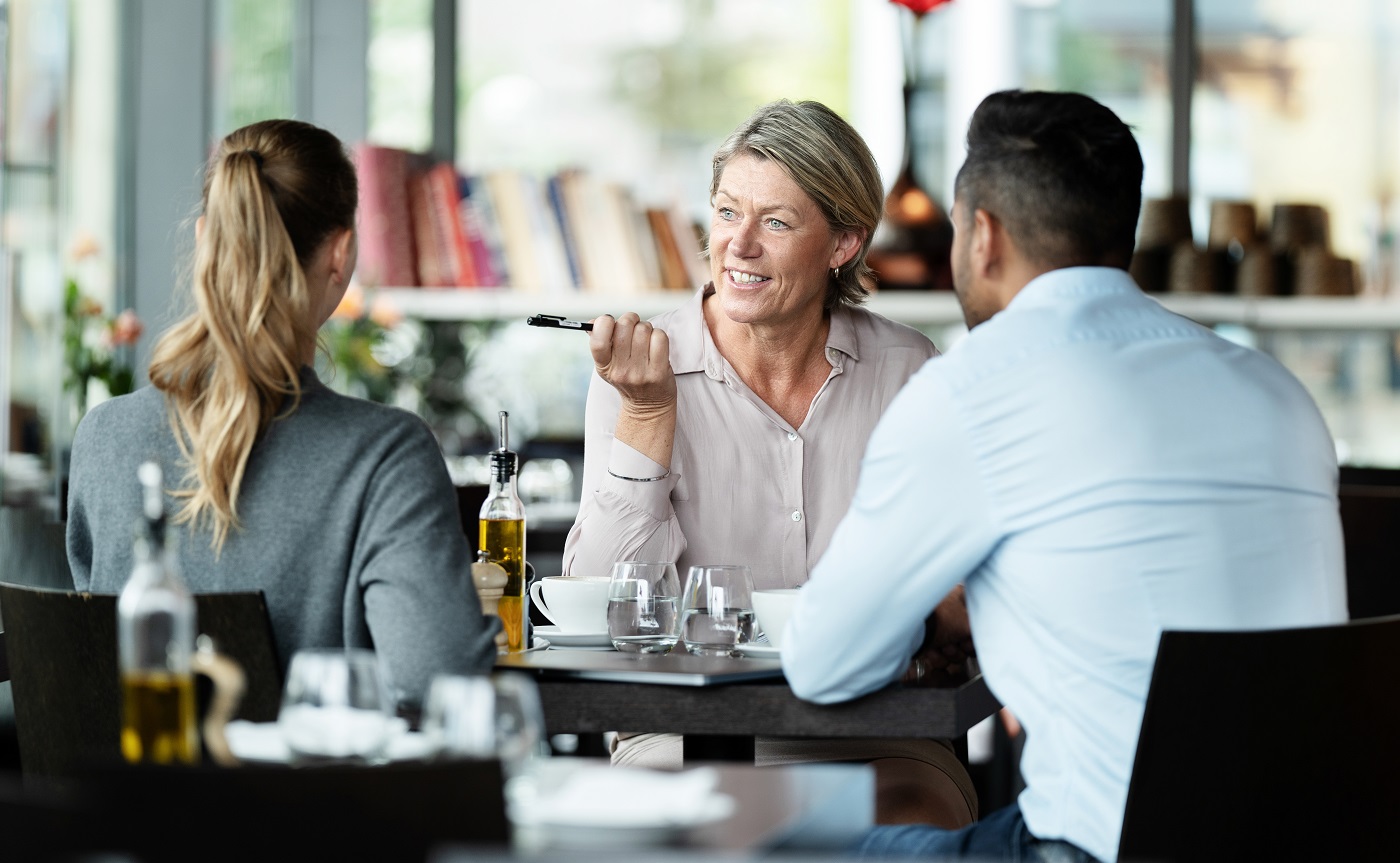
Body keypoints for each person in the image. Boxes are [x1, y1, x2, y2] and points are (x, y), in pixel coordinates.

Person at [783, 89, 1348, 862]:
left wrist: (940, 607)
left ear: (984, 235)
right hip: (1312, 839)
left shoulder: (975, 388)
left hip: (1101, 849)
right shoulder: (1274, 390)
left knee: (772, 841)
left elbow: (825, 664)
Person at [561, 98, 975, 827]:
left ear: (843, 242)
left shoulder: (910, 369)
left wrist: (946, 609)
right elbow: (599, 605)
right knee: (705, 829)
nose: (738, 245)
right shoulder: (641, 371)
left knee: (915, 827)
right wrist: (649, 416)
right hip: (681, 732)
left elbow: (955, 573)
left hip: (878, 732)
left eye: (776, 222)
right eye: (727, 212)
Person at [66, 119, 500, 716]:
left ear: (205, 238)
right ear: (341, 253)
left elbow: (97, 665)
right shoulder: (386, 457)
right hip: (316, 781)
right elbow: (443, 686)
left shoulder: (103, 438)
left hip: (127, 777)